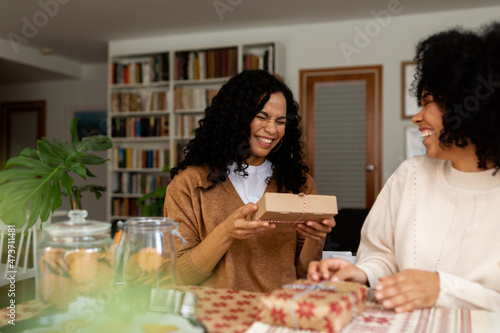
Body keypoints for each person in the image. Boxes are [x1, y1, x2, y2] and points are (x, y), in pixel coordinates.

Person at [308, 23, 500, 313]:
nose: (417, 117)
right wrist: (362, 273)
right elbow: (383, 254)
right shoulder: (411, 175)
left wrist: (442, 290)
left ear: (472, 106)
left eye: (428, 102)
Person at [164, 70, 335, 293]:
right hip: (217, 314)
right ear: (235, 117)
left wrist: (316, 237)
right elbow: (182, 275)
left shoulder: (299, 184)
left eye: (280, 121)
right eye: (262, 117)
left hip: (279, 313)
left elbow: (303, 273)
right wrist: (226, 232)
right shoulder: (188, 183)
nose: (272, 129)